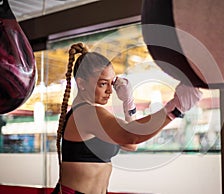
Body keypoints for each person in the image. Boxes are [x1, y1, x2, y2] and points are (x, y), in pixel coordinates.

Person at [52, 42, 202, 194]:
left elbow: (130, 145)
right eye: (103, 84)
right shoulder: (86, 113)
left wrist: (128, 103)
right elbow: (131, 136)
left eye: (112, 83)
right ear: (81, 84)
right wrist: (174, 108)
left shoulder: (91, 114)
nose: (110, 90)